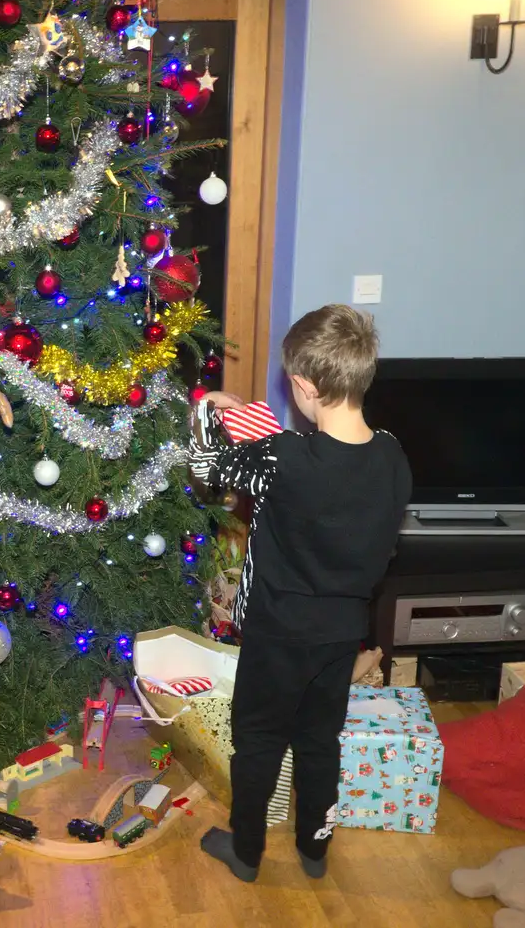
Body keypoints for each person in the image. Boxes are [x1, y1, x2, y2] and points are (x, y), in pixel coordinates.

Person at [190, 304, 411, 883]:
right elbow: (316, 470)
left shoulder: (282, 458)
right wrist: (255, 422)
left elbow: (209, 467)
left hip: (275, 631)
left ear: (303, 386)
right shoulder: (392, 454)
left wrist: (209, 412)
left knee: (258, 740)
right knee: (319, 740)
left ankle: (247, 851)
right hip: (341, 634)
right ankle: (315, 850)